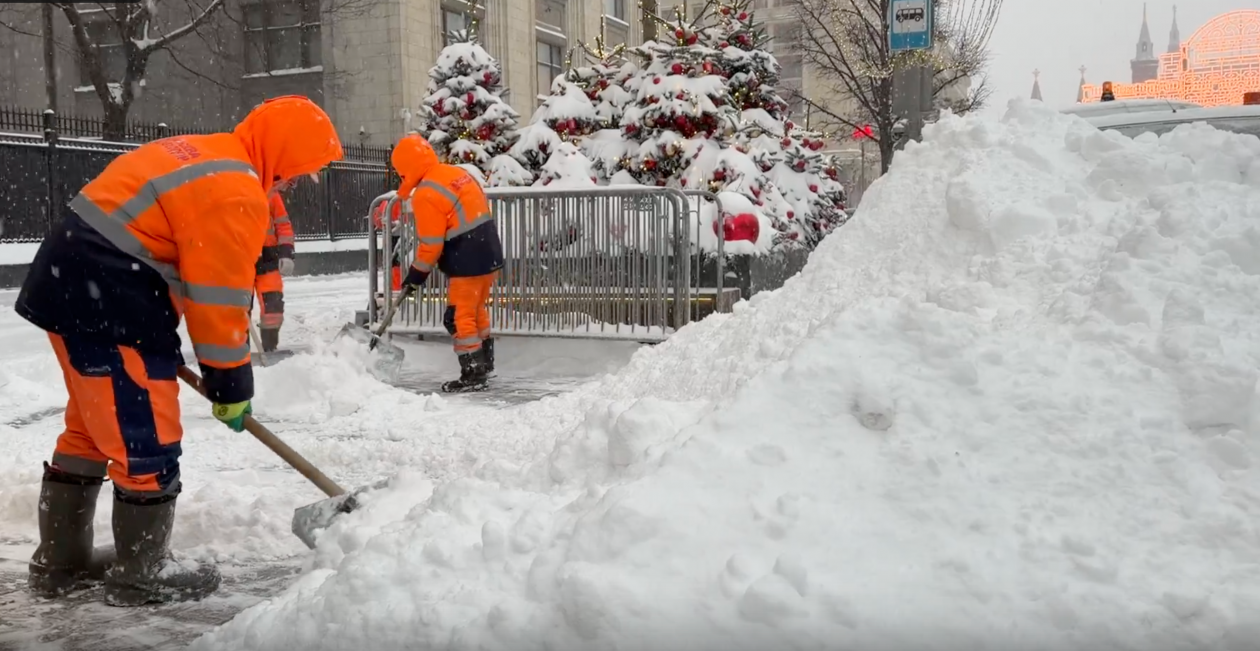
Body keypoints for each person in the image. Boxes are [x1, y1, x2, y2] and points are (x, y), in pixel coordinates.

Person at [15, 95, 344, 606]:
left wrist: (208, 366)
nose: (293, 184)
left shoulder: (205, 153)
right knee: (144, 433)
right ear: (281, 154)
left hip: (75, 286)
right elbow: (216, 299)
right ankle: (142, 573)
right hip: (109, 300)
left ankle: (63, 562)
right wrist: (231, 381)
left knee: (91, 427)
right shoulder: (235, 190)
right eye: (297, 172)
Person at [391, 133, 502, 392]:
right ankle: (485, 364)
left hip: (468, 257)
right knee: (475, 311)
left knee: (458, 317)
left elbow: (431, 245)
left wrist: (416, 276)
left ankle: (474, 374)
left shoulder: (427, 193)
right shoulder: (454, 173)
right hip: (488, 251)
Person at [254, 190, 297, 352]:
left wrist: (286, 253)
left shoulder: (271, 193)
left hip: (268, 260)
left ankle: (270, 348)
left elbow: (283, 225)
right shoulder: (229, 188)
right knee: (236, 310)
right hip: (240, 260)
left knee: (273, 308)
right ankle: (237, 356)